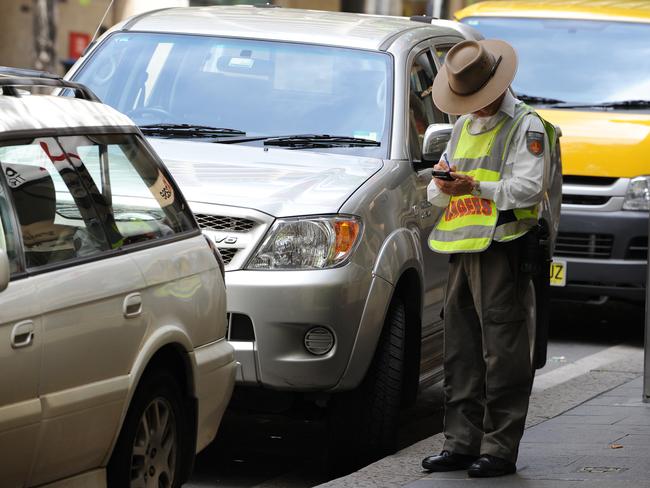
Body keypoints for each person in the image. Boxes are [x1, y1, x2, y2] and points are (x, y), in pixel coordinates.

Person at [421, 39, 551, 478]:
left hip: (505, 249)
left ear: (496, 87)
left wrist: (474, 187)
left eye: (475, 100)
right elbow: (435, 193)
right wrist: (447, 185)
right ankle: (460, 443)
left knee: (503, 352)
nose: (470, 108)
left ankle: (499, 448)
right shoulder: (461, 128)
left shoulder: (526, 126)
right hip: (462, 251)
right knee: (460, 352)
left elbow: (528, 188)